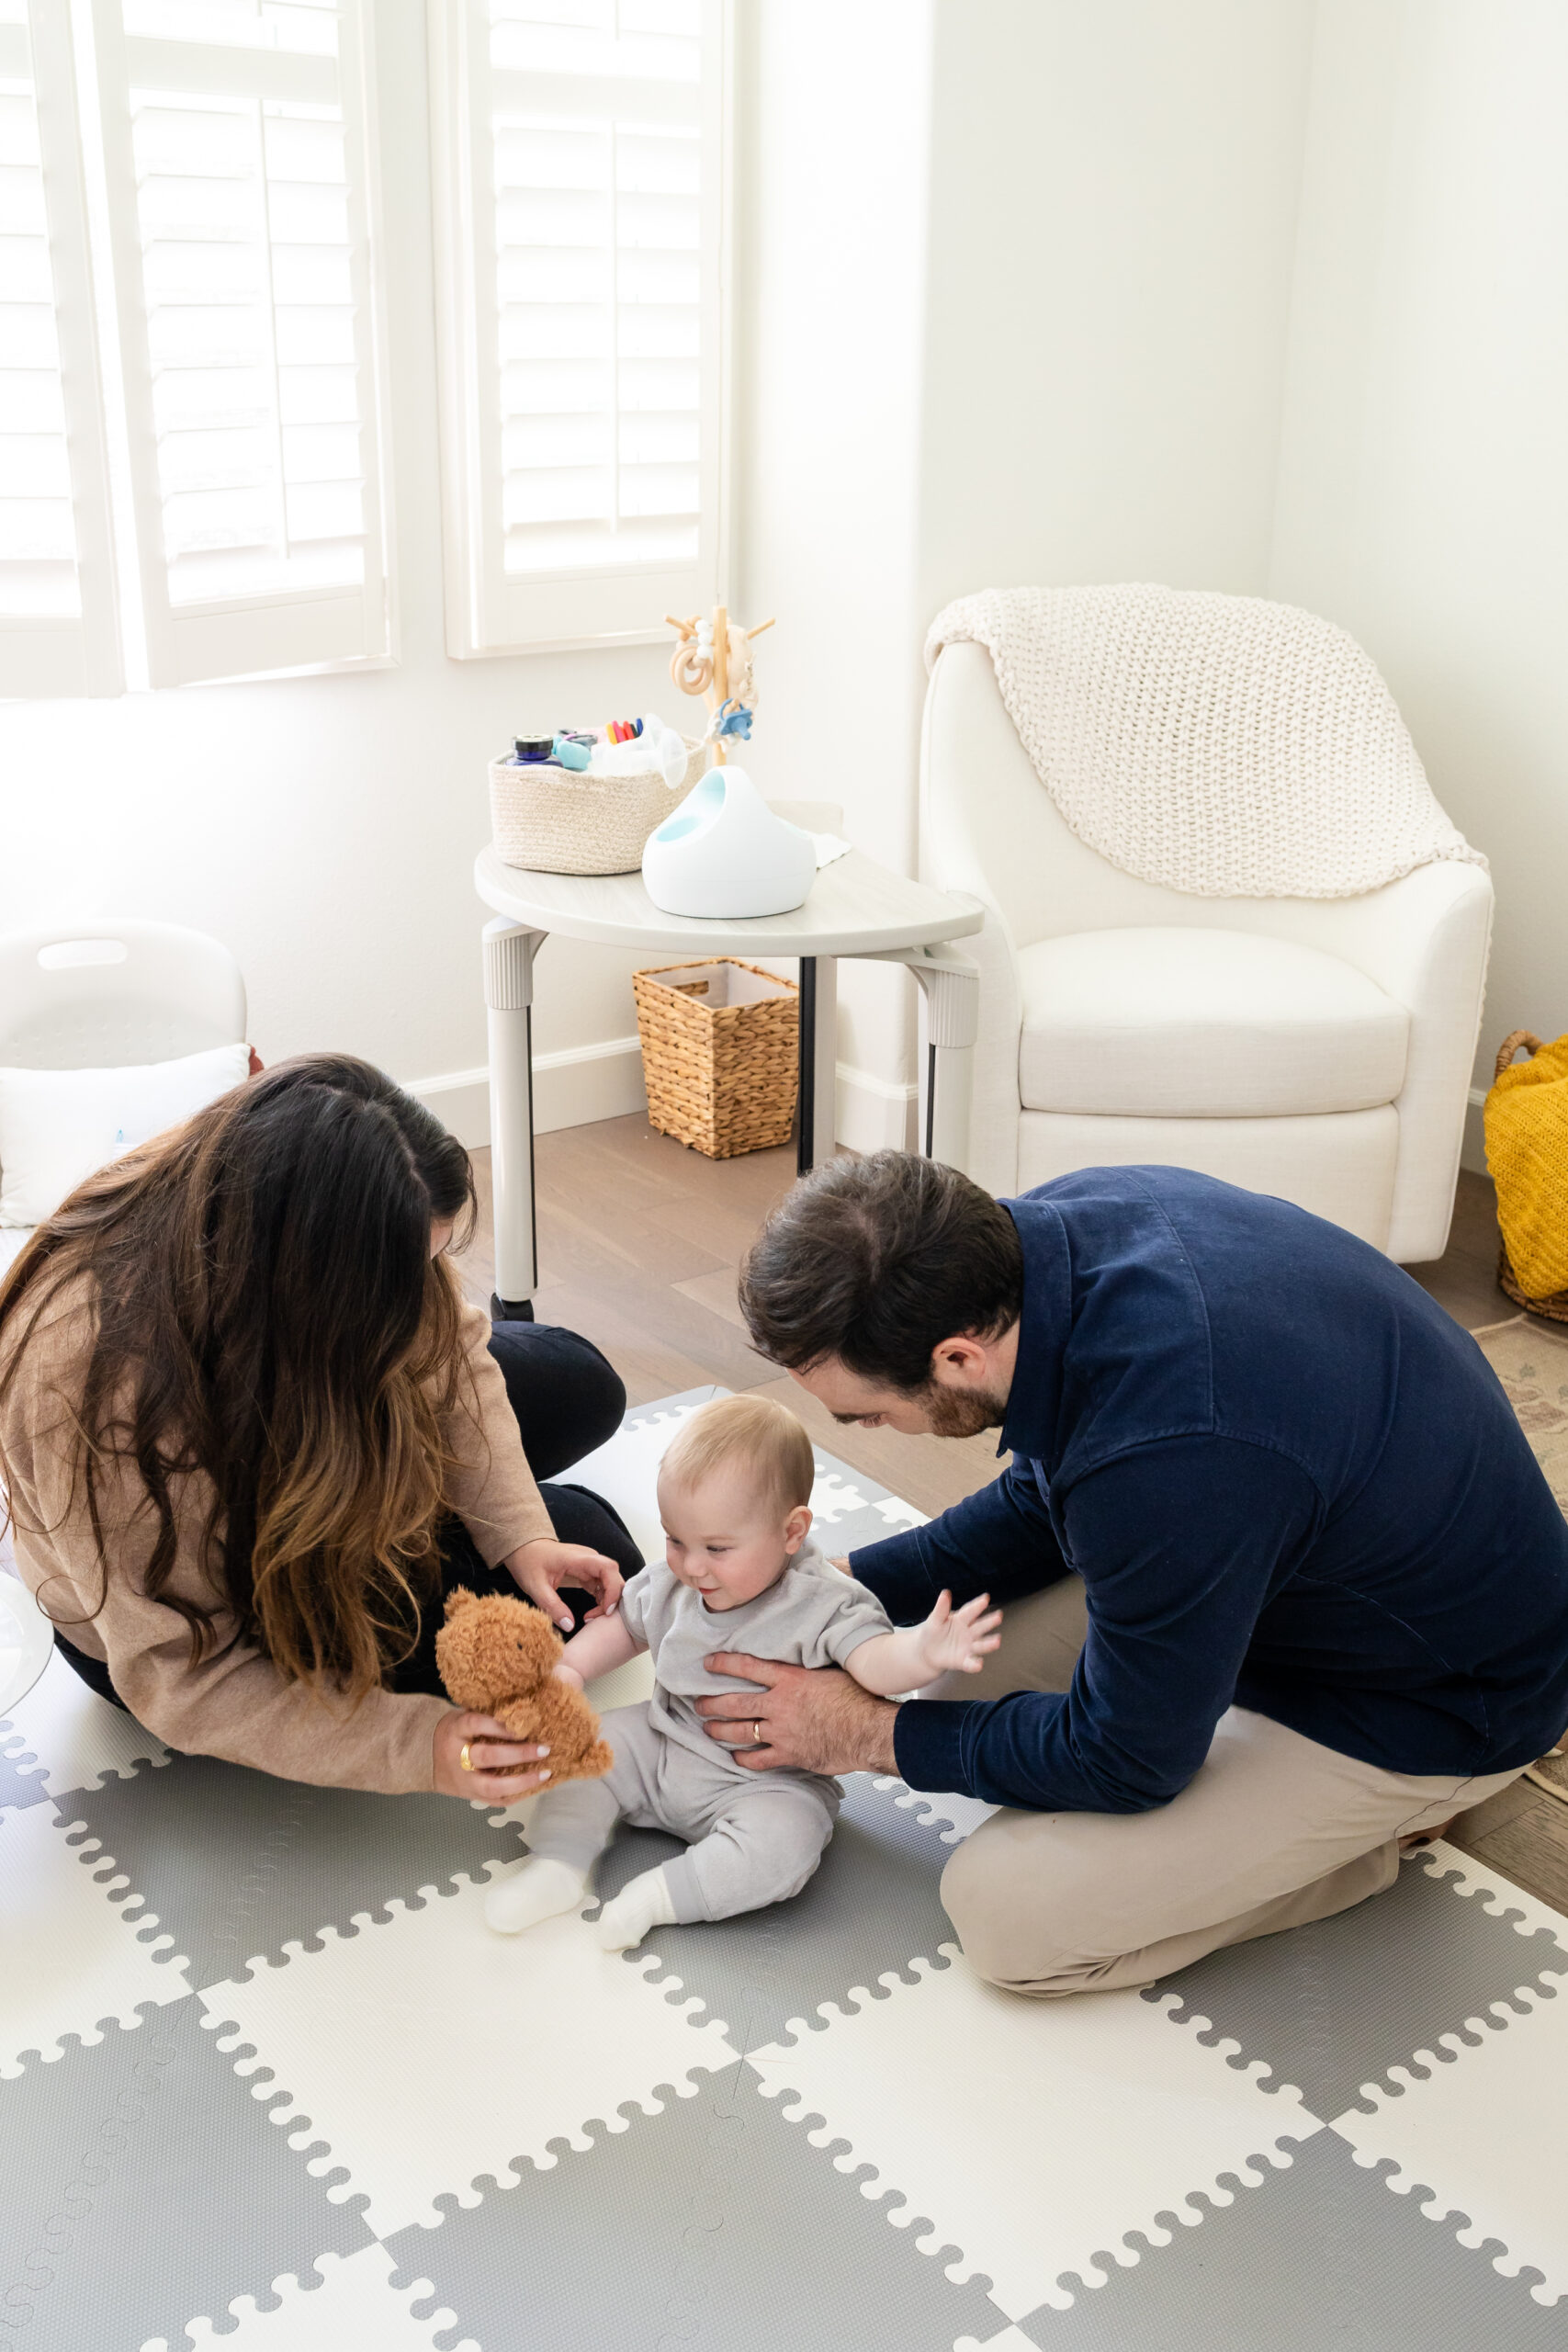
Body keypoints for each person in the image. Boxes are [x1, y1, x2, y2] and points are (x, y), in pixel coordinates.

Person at [693, 1151, 1568, 1999]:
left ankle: (1377, 1840)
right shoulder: (1053, 1238)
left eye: (871, 1415)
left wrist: (858, 1736)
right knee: (951, 1681)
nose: (870, 1429)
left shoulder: (1171, 1456)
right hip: (1279, 1561)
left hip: (1432, 1700)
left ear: (957, 1359)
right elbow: (1046, 1504)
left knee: (1008, 1919)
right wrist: (830, 1591)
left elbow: (1127, 1760)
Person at [0, 1055, 642, 1806]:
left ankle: (426, 1513)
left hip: (307, 1422)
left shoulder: (293, 1210)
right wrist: (419, 1747)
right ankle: (405, 1522)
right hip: (198, 1628)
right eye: (395, 1286)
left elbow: (452, 1355)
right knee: (599, 1540)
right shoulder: (90, 1390)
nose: (421, 1299)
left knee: (582, 1384)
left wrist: (517, 1530)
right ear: (305, 1281)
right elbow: (181, 1678)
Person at [488, 1392, 1001, 1952]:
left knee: (788, 1844)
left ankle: (660, 1897)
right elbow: (627, 1625)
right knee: (588, 1750)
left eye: (717, 1547)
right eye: (675, 1539)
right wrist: (571, 1669)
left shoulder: (824, 1602)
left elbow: (874, 1664)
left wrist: (921, 1653)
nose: (691, 1564)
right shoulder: (676, 1581)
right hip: (663, 1740)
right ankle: (557, 1868)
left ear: (791, 1532)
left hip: (768, 1782)